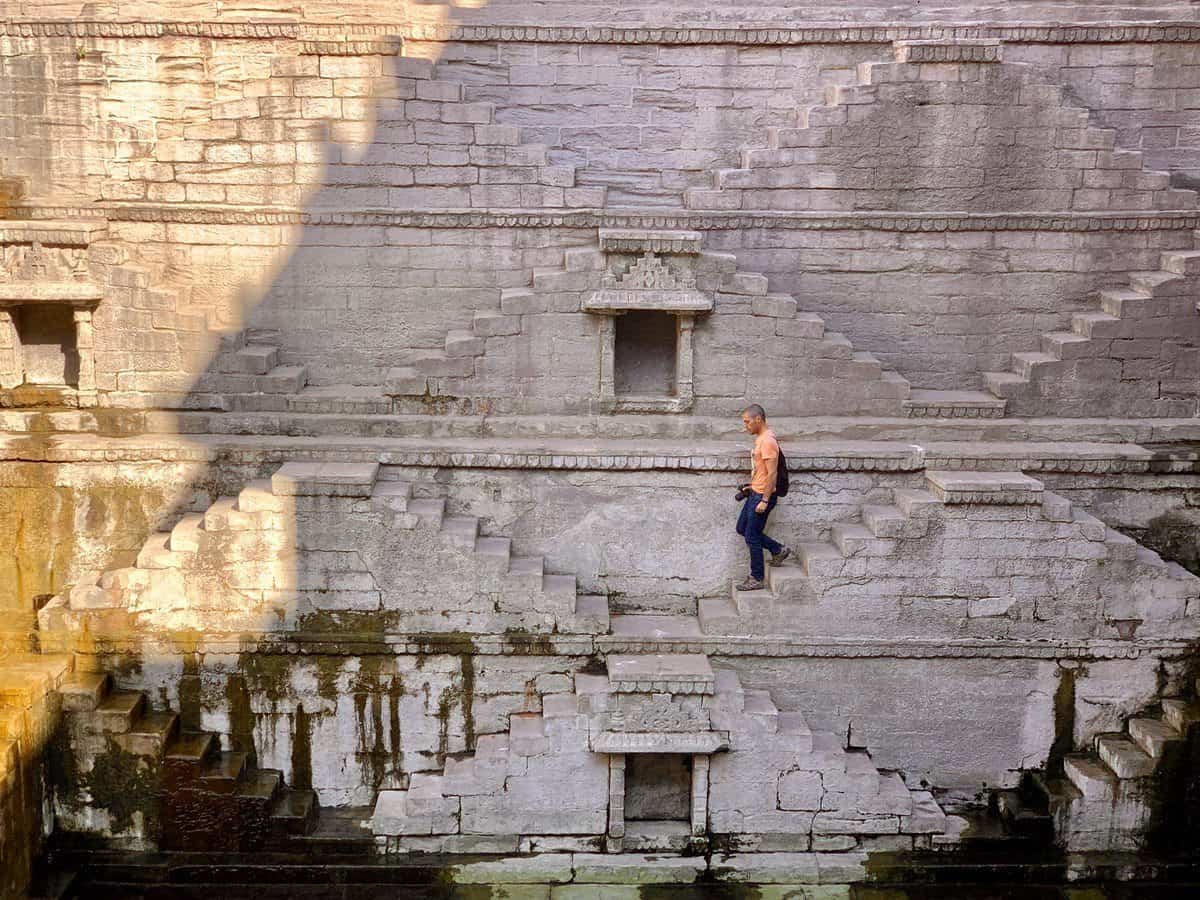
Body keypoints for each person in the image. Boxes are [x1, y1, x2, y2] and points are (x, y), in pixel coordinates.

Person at [736, 404, 791, 591]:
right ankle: (777, 549)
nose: (745, 426)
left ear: (758, 419)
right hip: (755, 492)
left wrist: (765, 500)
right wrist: (751, 486)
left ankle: (757, 577)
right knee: (742, 528)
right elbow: (762, 471)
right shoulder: (761, 439)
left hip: (762, 496)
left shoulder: (768, 441)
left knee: (751, 536)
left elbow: (772, 474)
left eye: (747, 421)